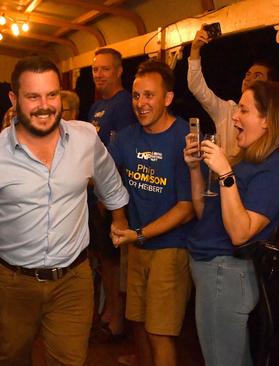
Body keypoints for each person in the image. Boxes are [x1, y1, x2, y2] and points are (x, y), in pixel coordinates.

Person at [0, 55, 129, 366]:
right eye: (33, 96)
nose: (45, 105)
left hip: (73, 281)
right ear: (14, 99)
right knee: (13, 358)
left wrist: (119, 220)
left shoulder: (85, 138)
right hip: (15, 284)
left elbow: (110, 182)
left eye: (52, 95)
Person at [183, 80, 279, 366]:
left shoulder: (278, 168)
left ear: (268, 121)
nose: (235, 117)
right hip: (214, 271)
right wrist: (195, 170)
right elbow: (205, 214)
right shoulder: (251, 161)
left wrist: (226, 173)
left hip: (225, 274)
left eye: (243, 110)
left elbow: (241, 233)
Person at [109, 60, 194, 366]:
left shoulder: (185, 138)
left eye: (149, 95)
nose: (141, 104)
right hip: (136, 245)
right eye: (135, 96)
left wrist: (138, 233)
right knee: (139, 325)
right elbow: (103, 176)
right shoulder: (128, 137)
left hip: (170, 250)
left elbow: (186, 209)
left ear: (167, 98)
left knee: (161, 334)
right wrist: (119, 219)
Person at [87, 48, 138, 344]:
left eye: (105, 69)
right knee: (103, 257)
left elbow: (123, 153)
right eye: (95, 70)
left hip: (111, 197)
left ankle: (119, 318)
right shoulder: (96, 107)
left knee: (115, 260)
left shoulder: (122, 104)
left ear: (119, 71)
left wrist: (110, 195)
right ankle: (109, 312)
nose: (98, 74)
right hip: (94, 194)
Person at [188, 25, 275, 159]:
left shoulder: (274, 123)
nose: (249, 78)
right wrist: (195, 49)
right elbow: (197, 87)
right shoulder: (228, 111)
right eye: (247, 74)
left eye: (257, 76)